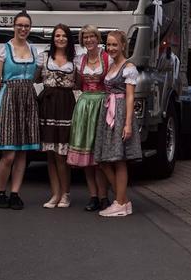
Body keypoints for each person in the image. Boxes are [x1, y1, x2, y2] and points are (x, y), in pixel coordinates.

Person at [0, 11, 40, 210]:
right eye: (20, 25)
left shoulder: (34, 50)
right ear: (14, 26)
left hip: (27, 99)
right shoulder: (3, 50)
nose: (23, 29)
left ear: (30, 28)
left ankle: (15, 193)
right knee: (8, 154)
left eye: (26, 26)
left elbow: (37, 76)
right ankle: (0, 191)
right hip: (8, 97)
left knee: (22, 153)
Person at [95, 30, 142, 217]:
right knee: (105, 160)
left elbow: (130, 97)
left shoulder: (128, 67)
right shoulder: (112, 65)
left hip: (121, 113)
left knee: (120, 160)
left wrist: (128, 124)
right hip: (109, 111)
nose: (111, 48)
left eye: (115, 44)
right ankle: (123, 201)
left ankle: (120, 203)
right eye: (109, 44)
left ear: (123, 45)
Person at [67, 25, 110, 211]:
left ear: (97, 38)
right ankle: (93, 196)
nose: (89, 40)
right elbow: (77, 83)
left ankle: (104, 196)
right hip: (84, 105)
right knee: (87, 157)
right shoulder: (80, 59)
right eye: (85, 37)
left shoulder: (107, 58)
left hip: (102, 104)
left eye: (92, 36)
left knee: (99, 157)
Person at [36, 24, 76, 208]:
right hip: (48, 104)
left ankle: (65, 194)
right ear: (53, 38)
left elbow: (80, 82)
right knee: (50, 154)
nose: (60, 38)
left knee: (62, 153)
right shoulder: (44, 57)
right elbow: (35, 77)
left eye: (64, 36)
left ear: (69, 39)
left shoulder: (76, 59)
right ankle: (55, 193)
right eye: (57, 35)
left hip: (66, 104)